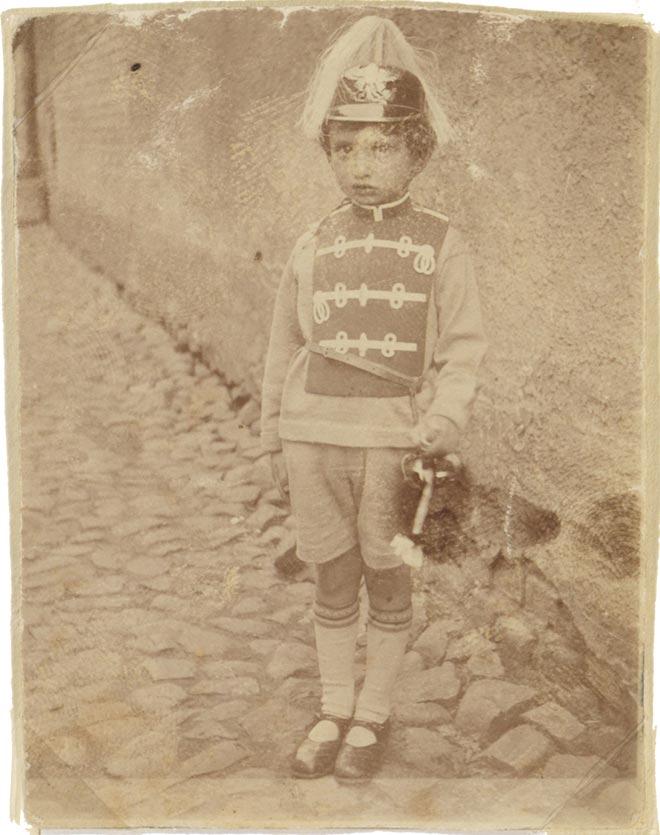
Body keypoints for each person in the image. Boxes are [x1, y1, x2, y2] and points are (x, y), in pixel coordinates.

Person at [260, 15, 487, 783]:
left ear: (416, 151)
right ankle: (332, 706)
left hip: (391, 444)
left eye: (382, 145)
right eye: (345, 146)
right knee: (330, 575)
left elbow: (462, 349)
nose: (361, 164)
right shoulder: (313, 240)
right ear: (328, 151)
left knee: (386, 577)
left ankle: (374, 713)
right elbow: (283, 346)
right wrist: (272, 440)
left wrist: (442, 418)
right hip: (311, 437)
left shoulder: (441, 241)